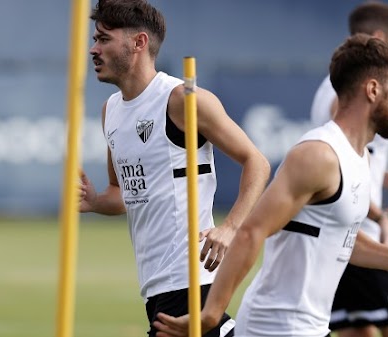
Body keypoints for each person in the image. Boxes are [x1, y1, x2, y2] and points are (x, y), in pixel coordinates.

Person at [153, 34, 388, 337]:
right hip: (275, 329)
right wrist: (211, 314)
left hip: (311, 328)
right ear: (373, 90)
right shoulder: (317, 155)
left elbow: (341, 237)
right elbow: (252, 232)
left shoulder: (359, 158)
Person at [79, 1, 271, 336]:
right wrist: (95, 202)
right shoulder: (110, 111)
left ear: (138, 43)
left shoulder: (182, 99)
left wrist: (230, 228)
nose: (93, 50)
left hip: (189, 277)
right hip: (155, 286)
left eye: (103, 39)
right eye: (95, 39)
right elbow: (122, 195)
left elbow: (257, 161)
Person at [310, 3, 388, 337]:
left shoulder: (333, 88)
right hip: (359, 236)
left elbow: (353, 165)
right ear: (379, 37)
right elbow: (342, 175)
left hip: (343, 236)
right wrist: (380, 218)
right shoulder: (347, 104)